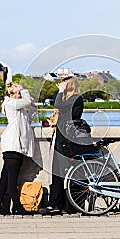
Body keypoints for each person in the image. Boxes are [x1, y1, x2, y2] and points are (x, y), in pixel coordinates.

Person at [40, 76, 83, 215]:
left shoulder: (75, 98)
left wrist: (60, 92)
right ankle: (57, 202)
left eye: (64, 84)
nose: (61, 86)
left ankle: (66, 204)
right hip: (62, 138)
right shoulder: (68, 99)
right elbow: (56, 102)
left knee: (66, 171)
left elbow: (57, 104)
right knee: (57, 171)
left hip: (68, 140)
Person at [0, 81, 36, 215]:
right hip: (12, 144)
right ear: (11, 94)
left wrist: (33, 106)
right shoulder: (10, 103)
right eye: (18, 92)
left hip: (15, 145)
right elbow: (26, 101)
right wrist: (25, 91)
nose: (20, 94)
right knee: (12, 178)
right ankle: (17, 206)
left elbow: (29, 118)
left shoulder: (18, 107)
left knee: (5, 177)